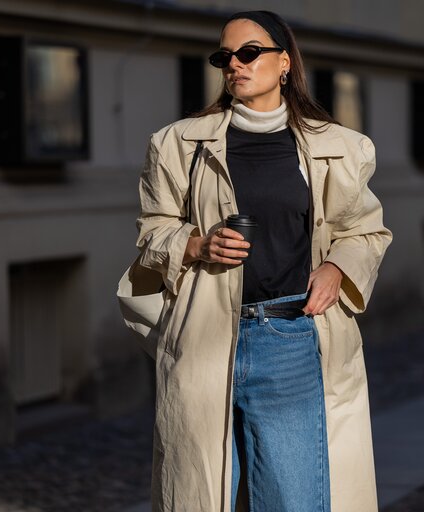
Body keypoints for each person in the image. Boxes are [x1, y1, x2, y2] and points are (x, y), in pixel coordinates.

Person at [132, 10, 392, 512]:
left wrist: (338, 269)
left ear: (284, 62)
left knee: (292, 499)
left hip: (291, 335)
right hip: (203, 337)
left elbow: (365, 229)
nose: (234, 64)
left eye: (249, 52)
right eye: (224, 56)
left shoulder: (336, 147)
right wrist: (195, 244)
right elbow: (151, 230)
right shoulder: (177, 144)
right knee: (201, 497)